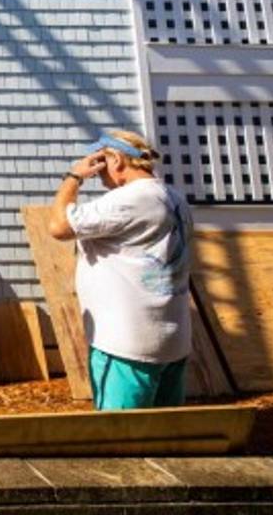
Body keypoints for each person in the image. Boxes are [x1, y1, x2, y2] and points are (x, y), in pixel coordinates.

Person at [46, 129, 193, 411]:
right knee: (168, 438)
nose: (99, 174)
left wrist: (74, 178)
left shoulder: (129, 199)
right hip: (172, 338)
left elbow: (59, 227)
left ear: (116, 159)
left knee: (122, 441)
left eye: (101, 162)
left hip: (126, 343)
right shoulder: (174, 198)